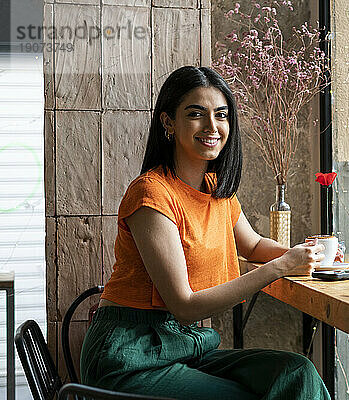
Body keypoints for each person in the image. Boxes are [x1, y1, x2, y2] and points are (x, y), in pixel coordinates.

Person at [79, 66, 330, 400]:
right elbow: (184, 306)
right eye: (196, 114)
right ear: (168, 122)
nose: (213, 127)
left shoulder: (216, 189)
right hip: (129, 356)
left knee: (295, 373)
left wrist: (307, 253)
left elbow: (253, 244)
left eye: (222, 115)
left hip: (182, 345)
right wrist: (282, 266)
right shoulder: (151, 194)